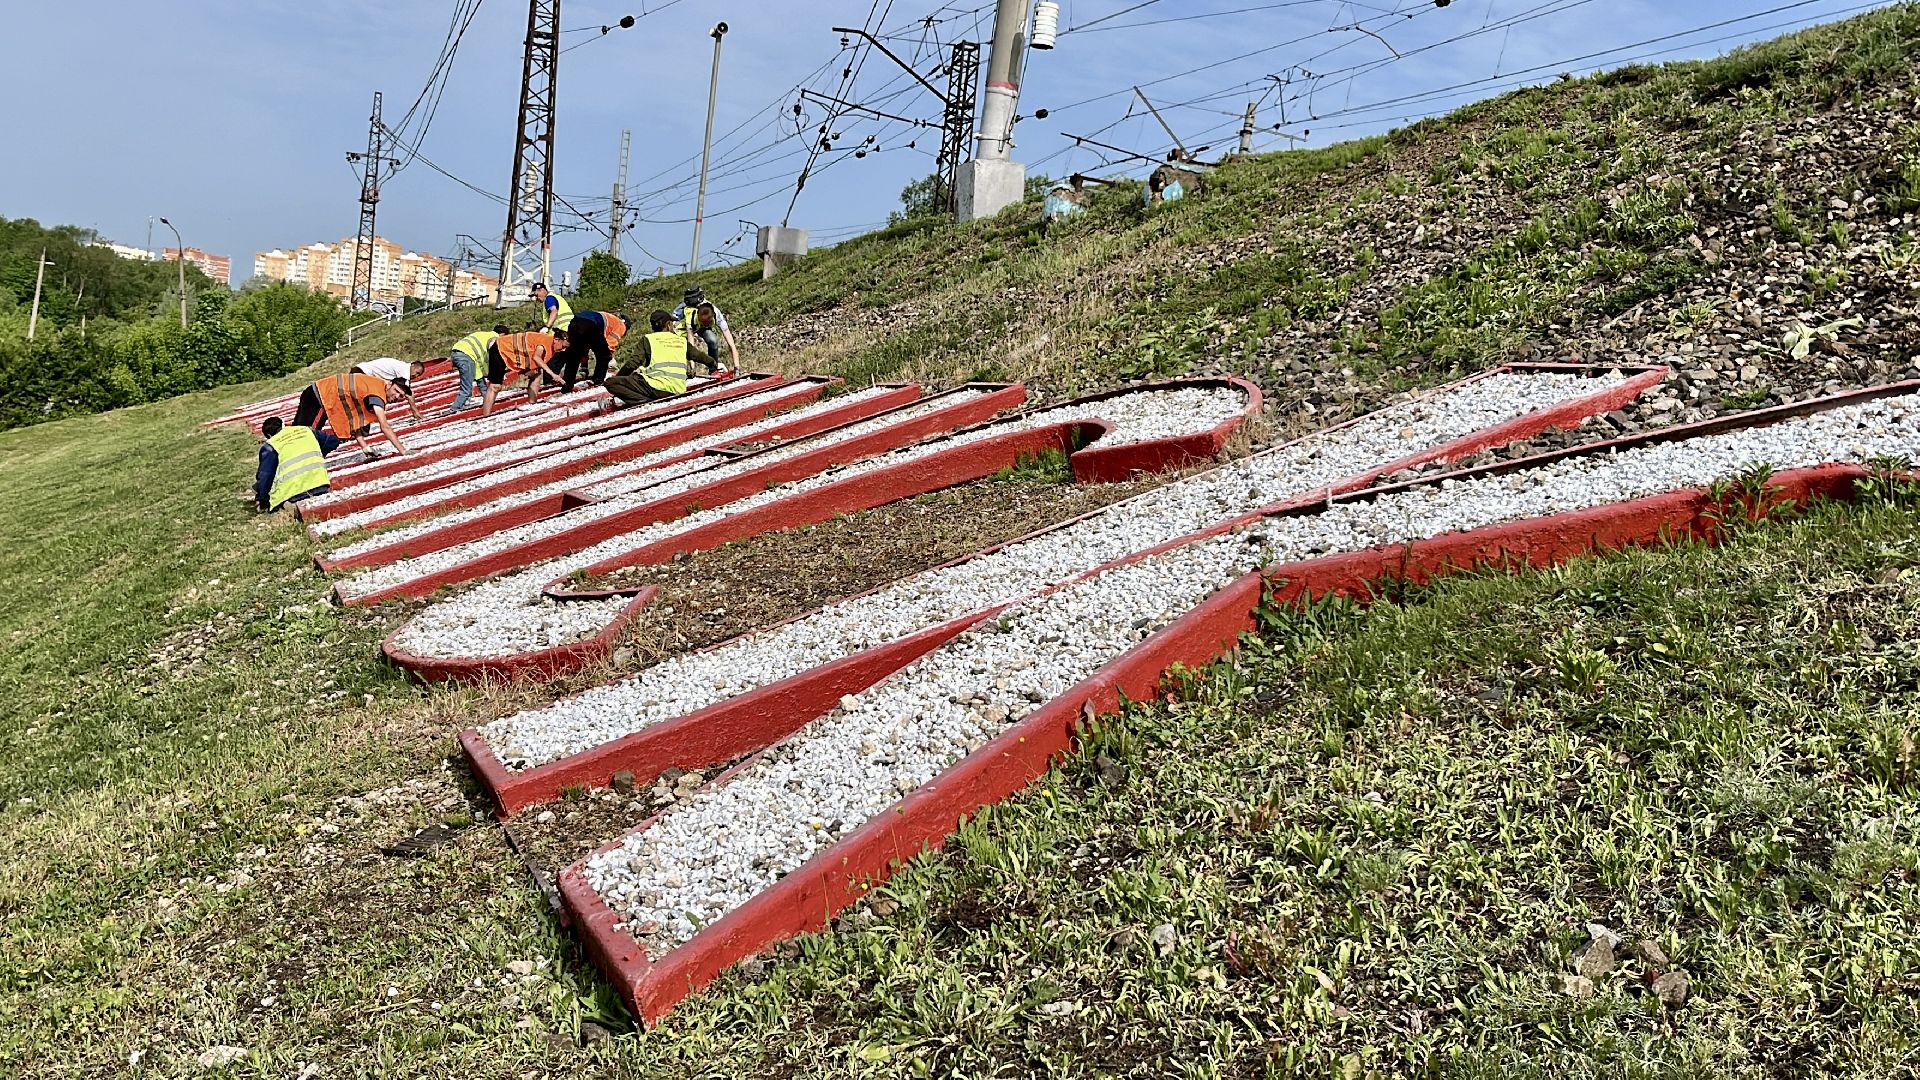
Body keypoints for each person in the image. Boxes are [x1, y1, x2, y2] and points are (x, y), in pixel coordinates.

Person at [603, 310, 722, 406]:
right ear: (668, 325)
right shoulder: (680, 341)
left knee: (610, 383)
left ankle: (642, 400)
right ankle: (645, 399)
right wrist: (713, 364)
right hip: (677, 389)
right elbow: (699, 356)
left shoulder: (648, 339)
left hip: (654, 388)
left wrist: (620, 377)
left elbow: (633, 364)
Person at [291, 372, 410, 456]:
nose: (397, 396)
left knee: (298, 432)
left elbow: (354, 421)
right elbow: (385, 426)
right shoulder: (377, 397)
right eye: (396, 391)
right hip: (320, 396)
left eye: (401, 396)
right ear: (389, 385)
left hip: (320, 393)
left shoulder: (375, 386)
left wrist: (364, 447)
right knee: (304, 434)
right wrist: (403, 451)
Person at [254, 415, 340, 512]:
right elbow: (333, 442)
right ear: (283, 425)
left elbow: (266, 476)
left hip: (292, 495)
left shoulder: (271, 445)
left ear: (269, 436)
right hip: (320, 485)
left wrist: (262, 499)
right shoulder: (307, 431)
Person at [479, 329, 563, 416]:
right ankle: (486, 415)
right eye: (563, 347)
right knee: (495, 386)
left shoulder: (551, 345)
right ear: (556, 340)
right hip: (500, 349)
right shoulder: (544, 343)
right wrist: (552, 374)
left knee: (536, 374)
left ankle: (532, 404)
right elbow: (536, 357)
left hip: (518, 353)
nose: (563, 350)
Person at [552, 310, 629, 391]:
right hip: (590, 325)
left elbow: (584, 348)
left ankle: (567, 385)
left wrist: (584, 365)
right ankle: (598, 380)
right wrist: (610, 361)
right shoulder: (621, 325)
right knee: (604, 356)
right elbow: (610, 345)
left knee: (574, 356)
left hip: (574, 322)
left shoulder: (609, 317)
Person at [670, 286, 739, 371]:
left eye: (708, 323)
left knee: (712, 340)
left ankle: (713, 369)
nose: (706, 325)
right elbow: (691, 343)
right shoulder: (689, 316)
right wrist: (693, 368)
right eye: (703, 323)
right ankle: (683, 371)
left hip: (698, 325)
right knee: (681, 347)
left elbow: (731, 343)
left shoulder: (717, 314)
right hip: (682, 328)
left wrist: (737, 367)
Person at [445, 326, 504, 412]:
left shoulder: (482, 335)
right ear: (502, 334)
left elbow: (478, 368)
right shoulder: (494, 339)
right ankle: (453, 410)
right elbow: (488, 360)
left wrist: (484, 390)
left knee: (474, 383)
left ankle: (487, 402)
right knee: (466, 389)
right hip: (465, 356)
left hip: (457, 353)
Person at [350, 356, 426, 422]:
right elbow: (409, 394)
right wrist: (415, 412)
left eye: (418, 375)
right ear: (412, 366)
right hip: (360, 373)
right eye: (417, 372)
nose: (416, 376)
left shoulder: (402, 367)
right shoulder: (404, 370)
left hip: (360, 372)